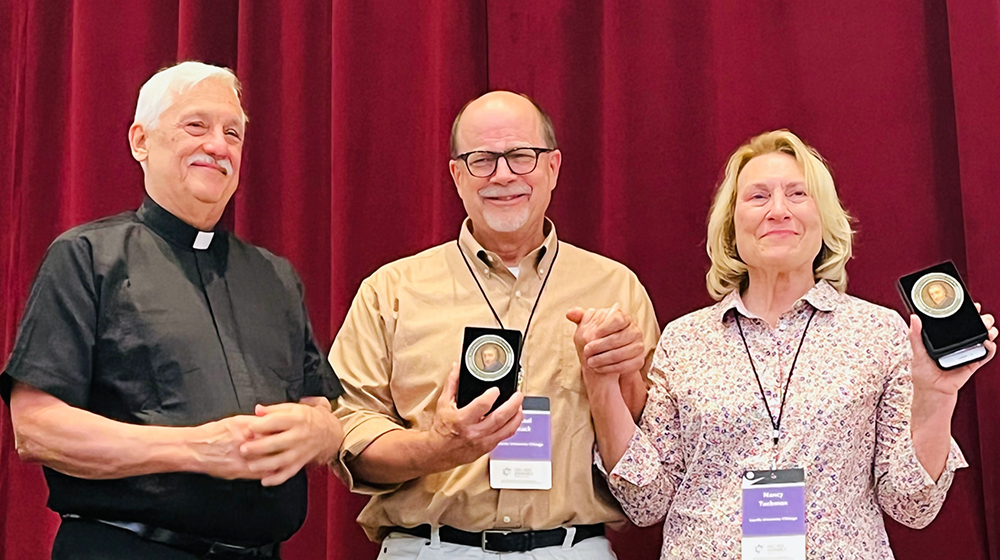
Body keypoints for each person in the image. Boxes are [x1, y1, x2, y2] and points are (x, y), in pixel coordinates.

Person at [581, 129, 997, 559]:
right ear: (731, 226)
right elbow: (645, 502)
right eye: (758, 197)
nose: (778, 211)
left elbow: (912, 507)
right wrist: (601, 385)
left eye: (798, 194)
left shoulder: (880, 332)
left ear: (824, 219)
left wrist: (936, 396)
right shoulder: (684, 340)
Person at [2, 61, 345, 560]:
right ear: (141, 141)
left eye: (233, 132)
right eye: (196, 125)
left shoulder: (275, 277)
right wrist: (195, 449)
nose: (218, 145)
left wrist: (320, 431)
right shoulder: (86, 257)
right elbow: (35, 428)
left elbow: (321, 407)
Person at [329, 91, 660, 559]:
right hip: (432, 549)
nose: (503, 175)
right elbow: (346, 435)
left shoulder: (615, 289)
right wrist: (439, 447)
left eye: (522, 157)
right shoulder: (391, 290)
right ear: (457, 175)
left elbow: (652, 451)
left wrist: (622, 378)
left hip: (570, 549)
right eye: (481, 159)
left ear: (553, 168)